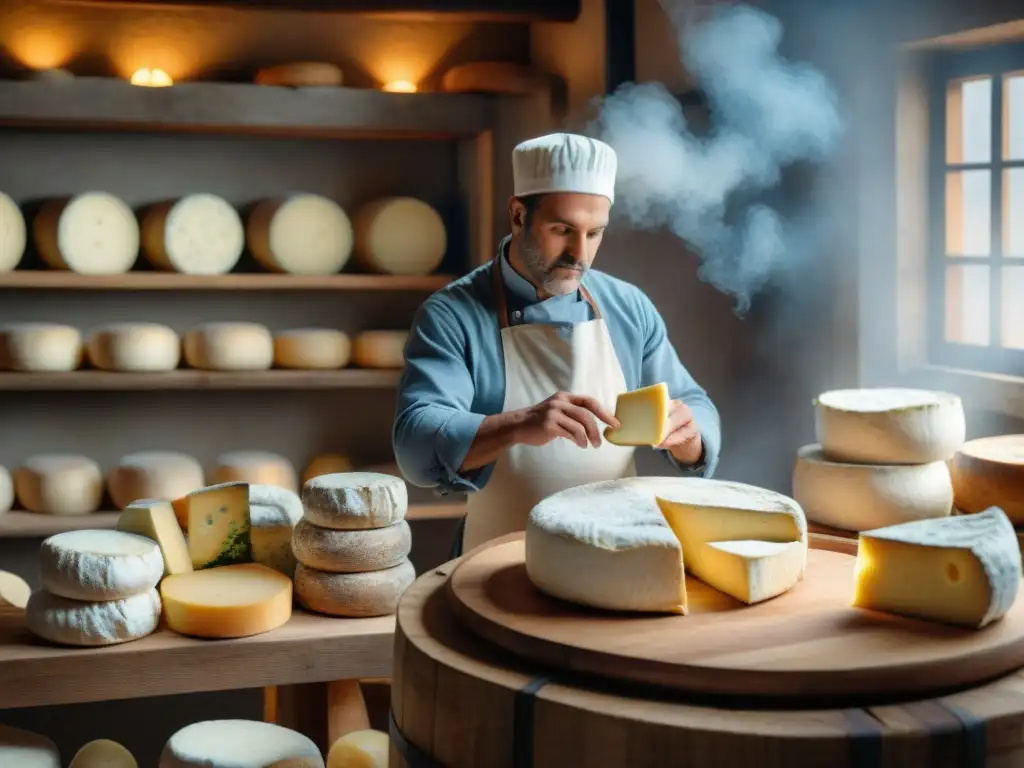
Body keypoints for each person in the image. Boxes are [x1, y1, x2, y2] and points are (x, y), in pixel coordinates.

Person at [392, 132, 721, 558]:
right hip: (498, 563)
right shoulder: (453, 314)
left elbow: (695, 402)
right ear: (517, 214)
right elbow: (415, 444)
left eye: (594, 232)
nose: (578, 254)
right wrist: (518, 424)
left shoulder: (628, 307)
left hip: (618, 558)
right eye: (562, 229)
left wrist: (689, 434)